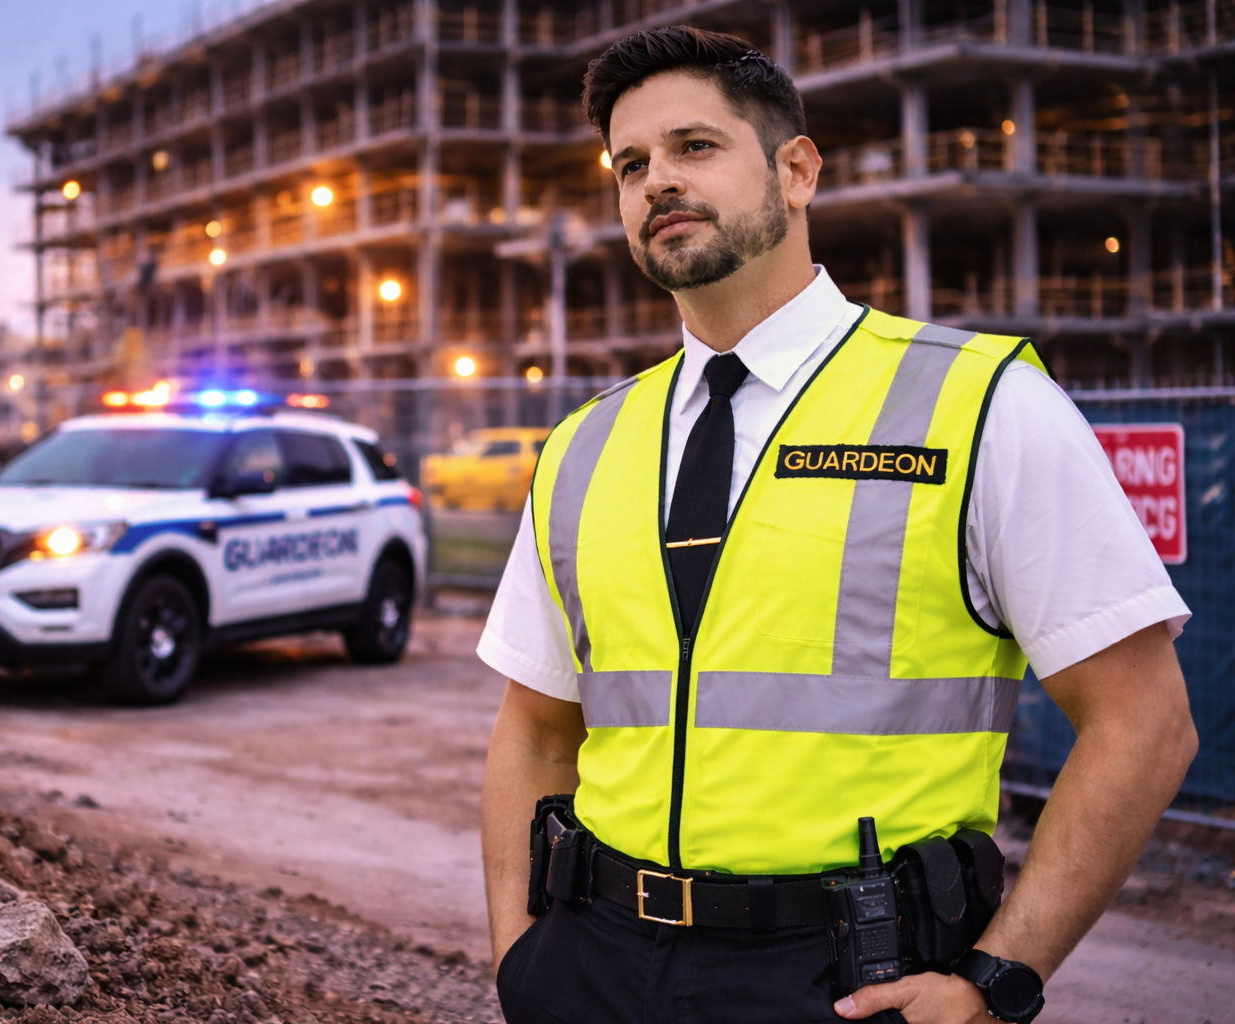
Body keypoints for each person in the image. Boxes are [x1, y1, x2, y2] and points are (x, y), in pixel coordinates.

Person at [478, 25, 1199, 1024]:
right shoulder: (583, 445)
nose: (656, 183)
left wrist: (998, 983)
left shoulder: (980, 403)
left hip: (846, 983)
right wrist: (522, 957)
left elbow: (1145, 721)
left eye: (695, 147)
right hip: (591, 968)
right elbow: (534, 728)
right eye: (630, 163)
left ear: (797, 170)